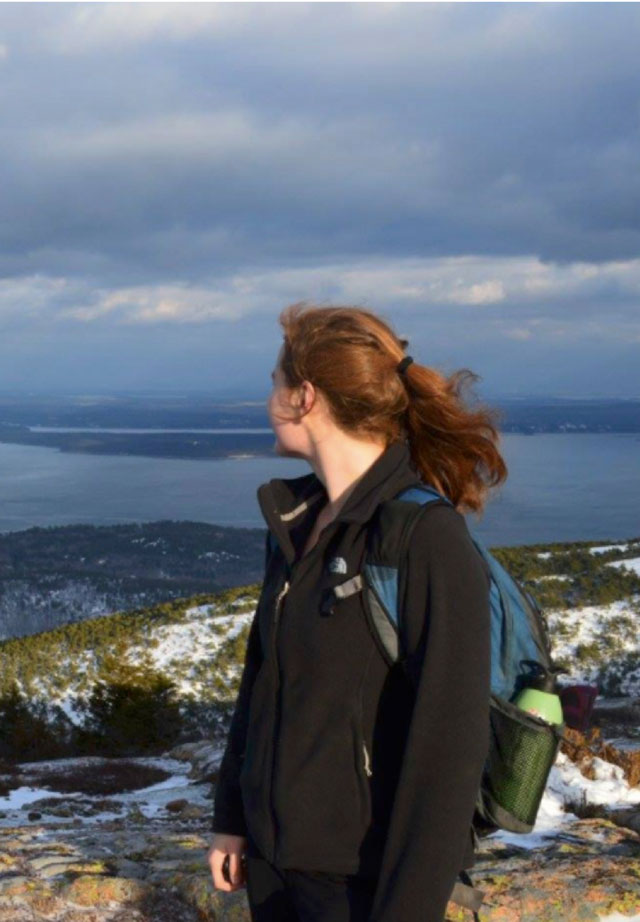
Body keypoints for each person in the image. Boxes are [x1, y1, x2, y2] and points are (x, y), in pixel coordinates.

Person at [205, 303, 504, 922]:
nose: (269, 398)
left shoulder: (423, 537)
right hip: (273, 866)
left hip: (358, 883)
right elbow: (262, 682)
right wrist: (233, 817)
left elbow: (449, 749)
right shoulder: (297, 523)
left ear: (305, 397)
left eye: (274, 382)